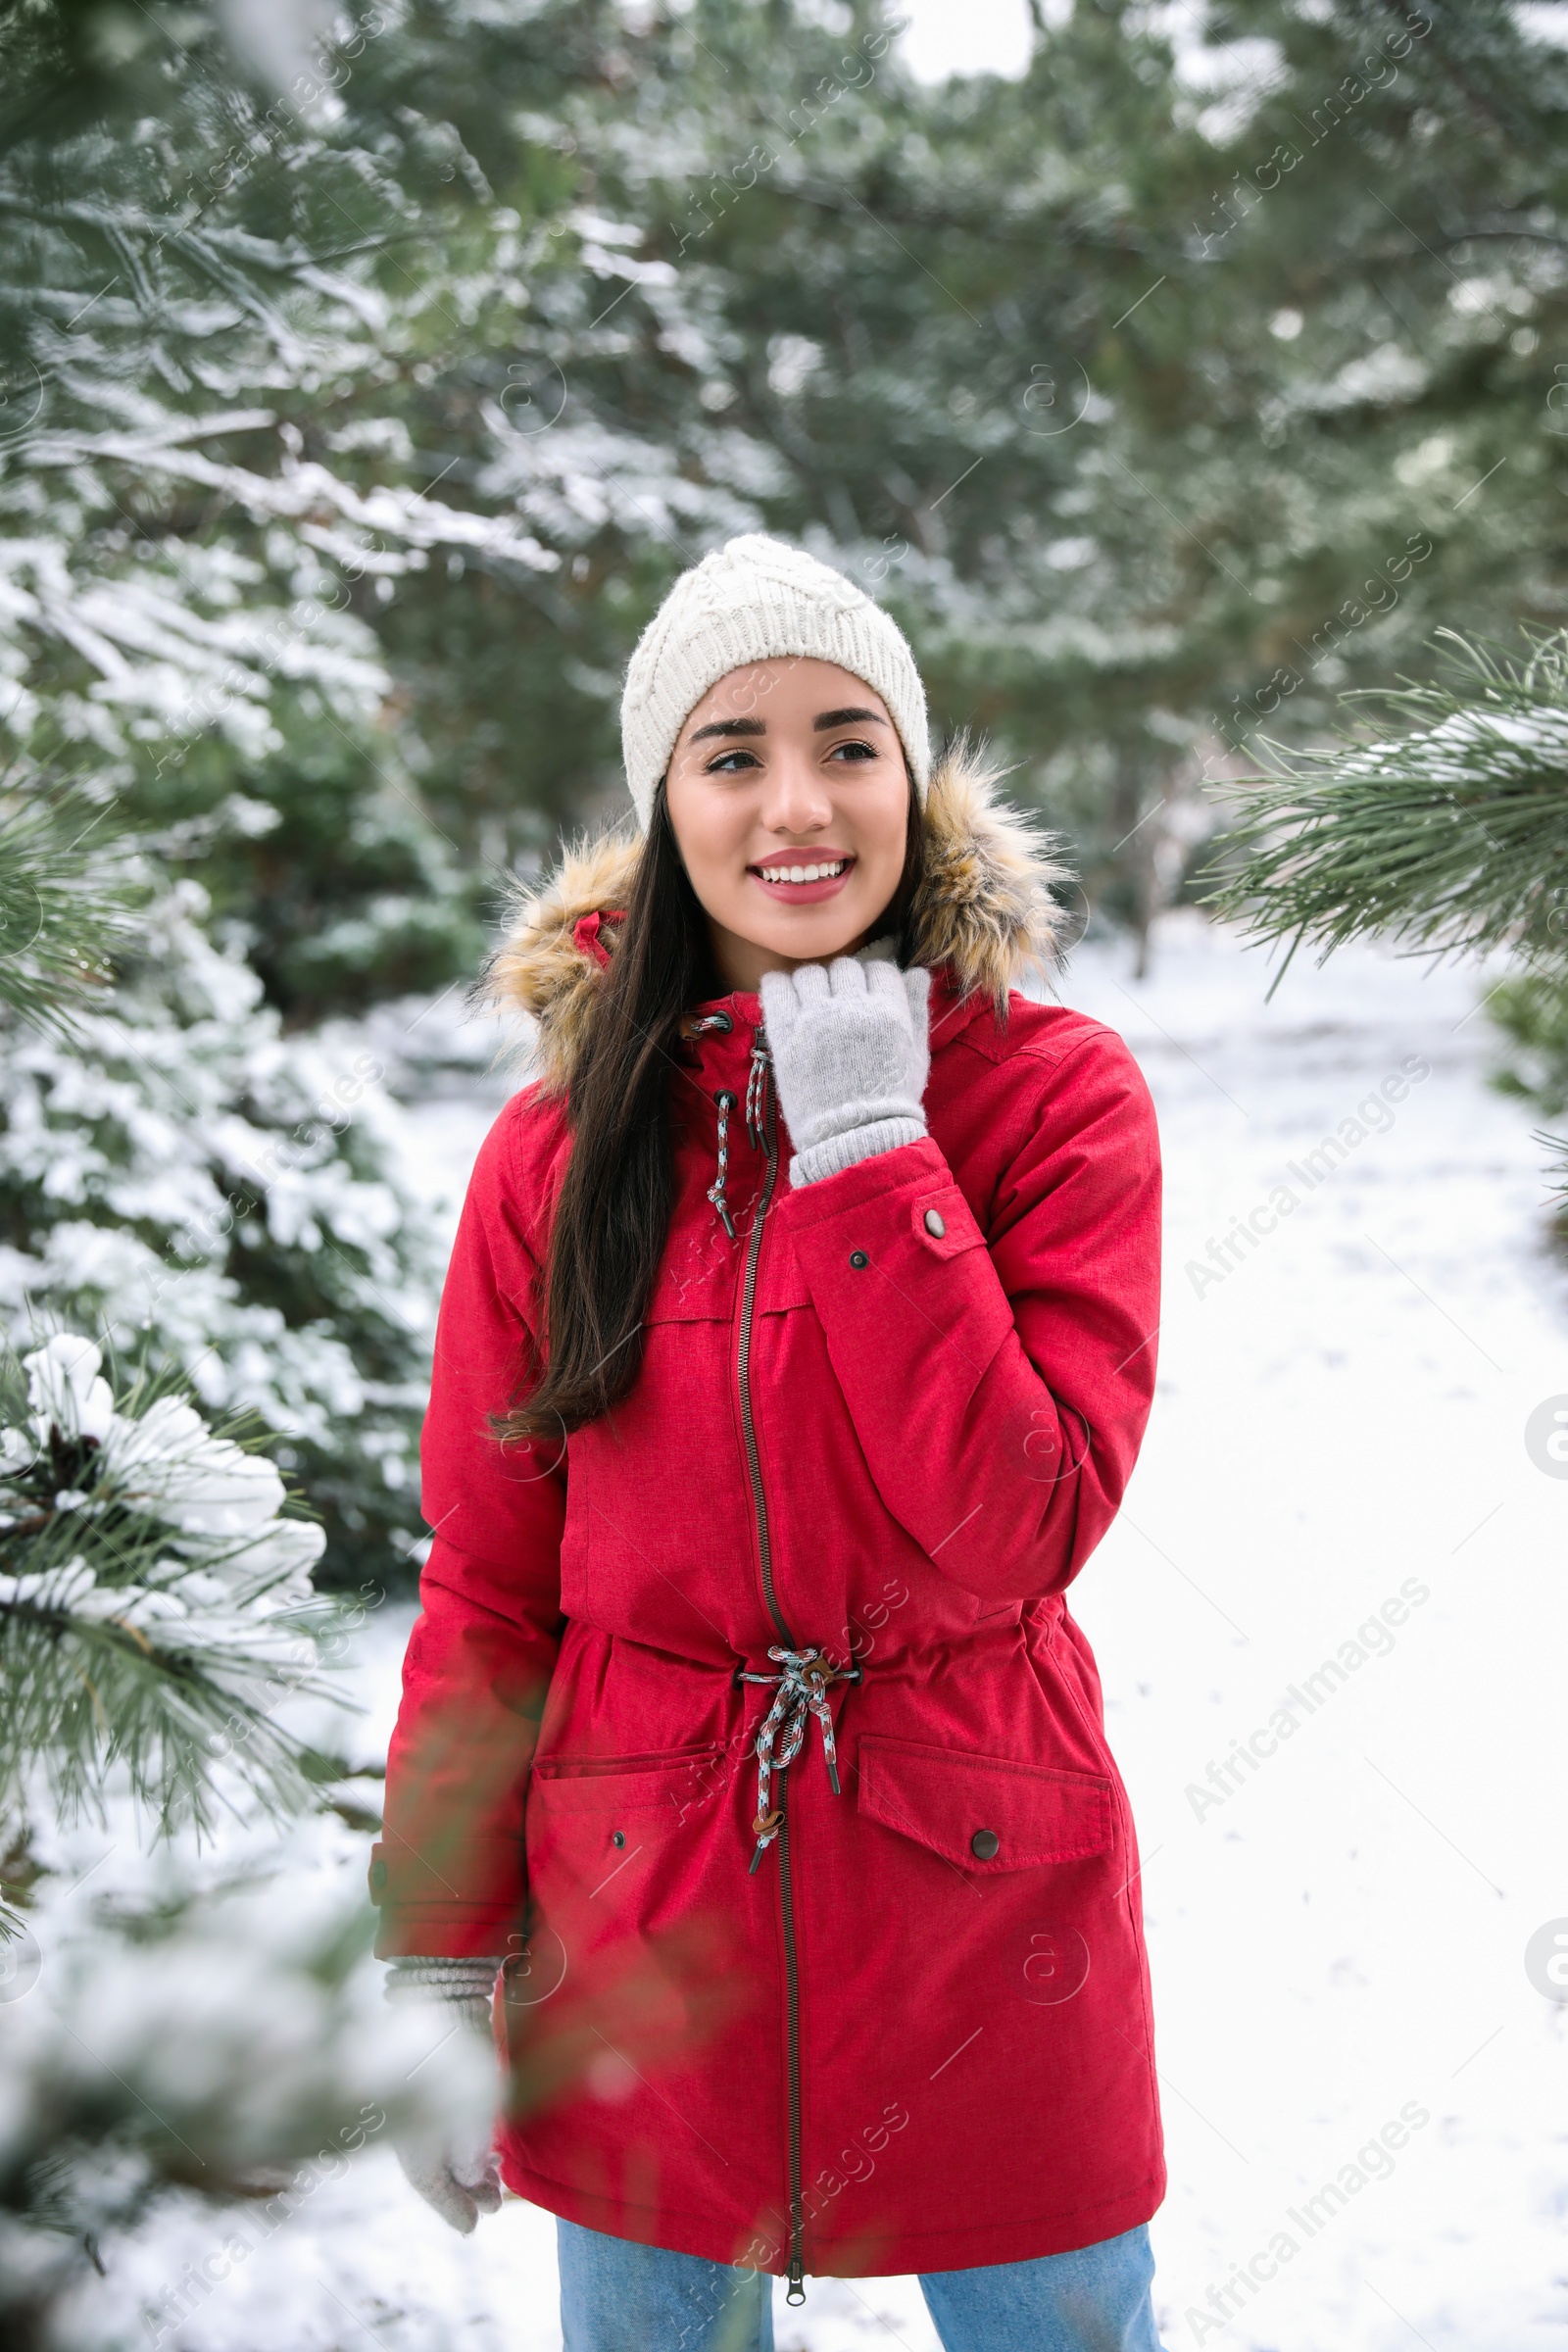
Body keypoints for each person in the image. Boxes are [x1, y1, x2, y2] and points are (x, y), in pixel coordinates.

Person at [370, 535, 1168, 2351]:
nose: (796, 804)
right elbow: (493, 1577)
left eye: (848, 741)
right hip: (639, 1917)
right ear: (664, 802)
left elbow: (1018, 1522)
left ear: (916, 778)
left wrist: (873, 1149)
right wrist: (434, 1949)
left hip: (988, 1884)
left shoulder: (1053, 1099)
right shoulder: (557, 1153)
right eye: (732, 755)